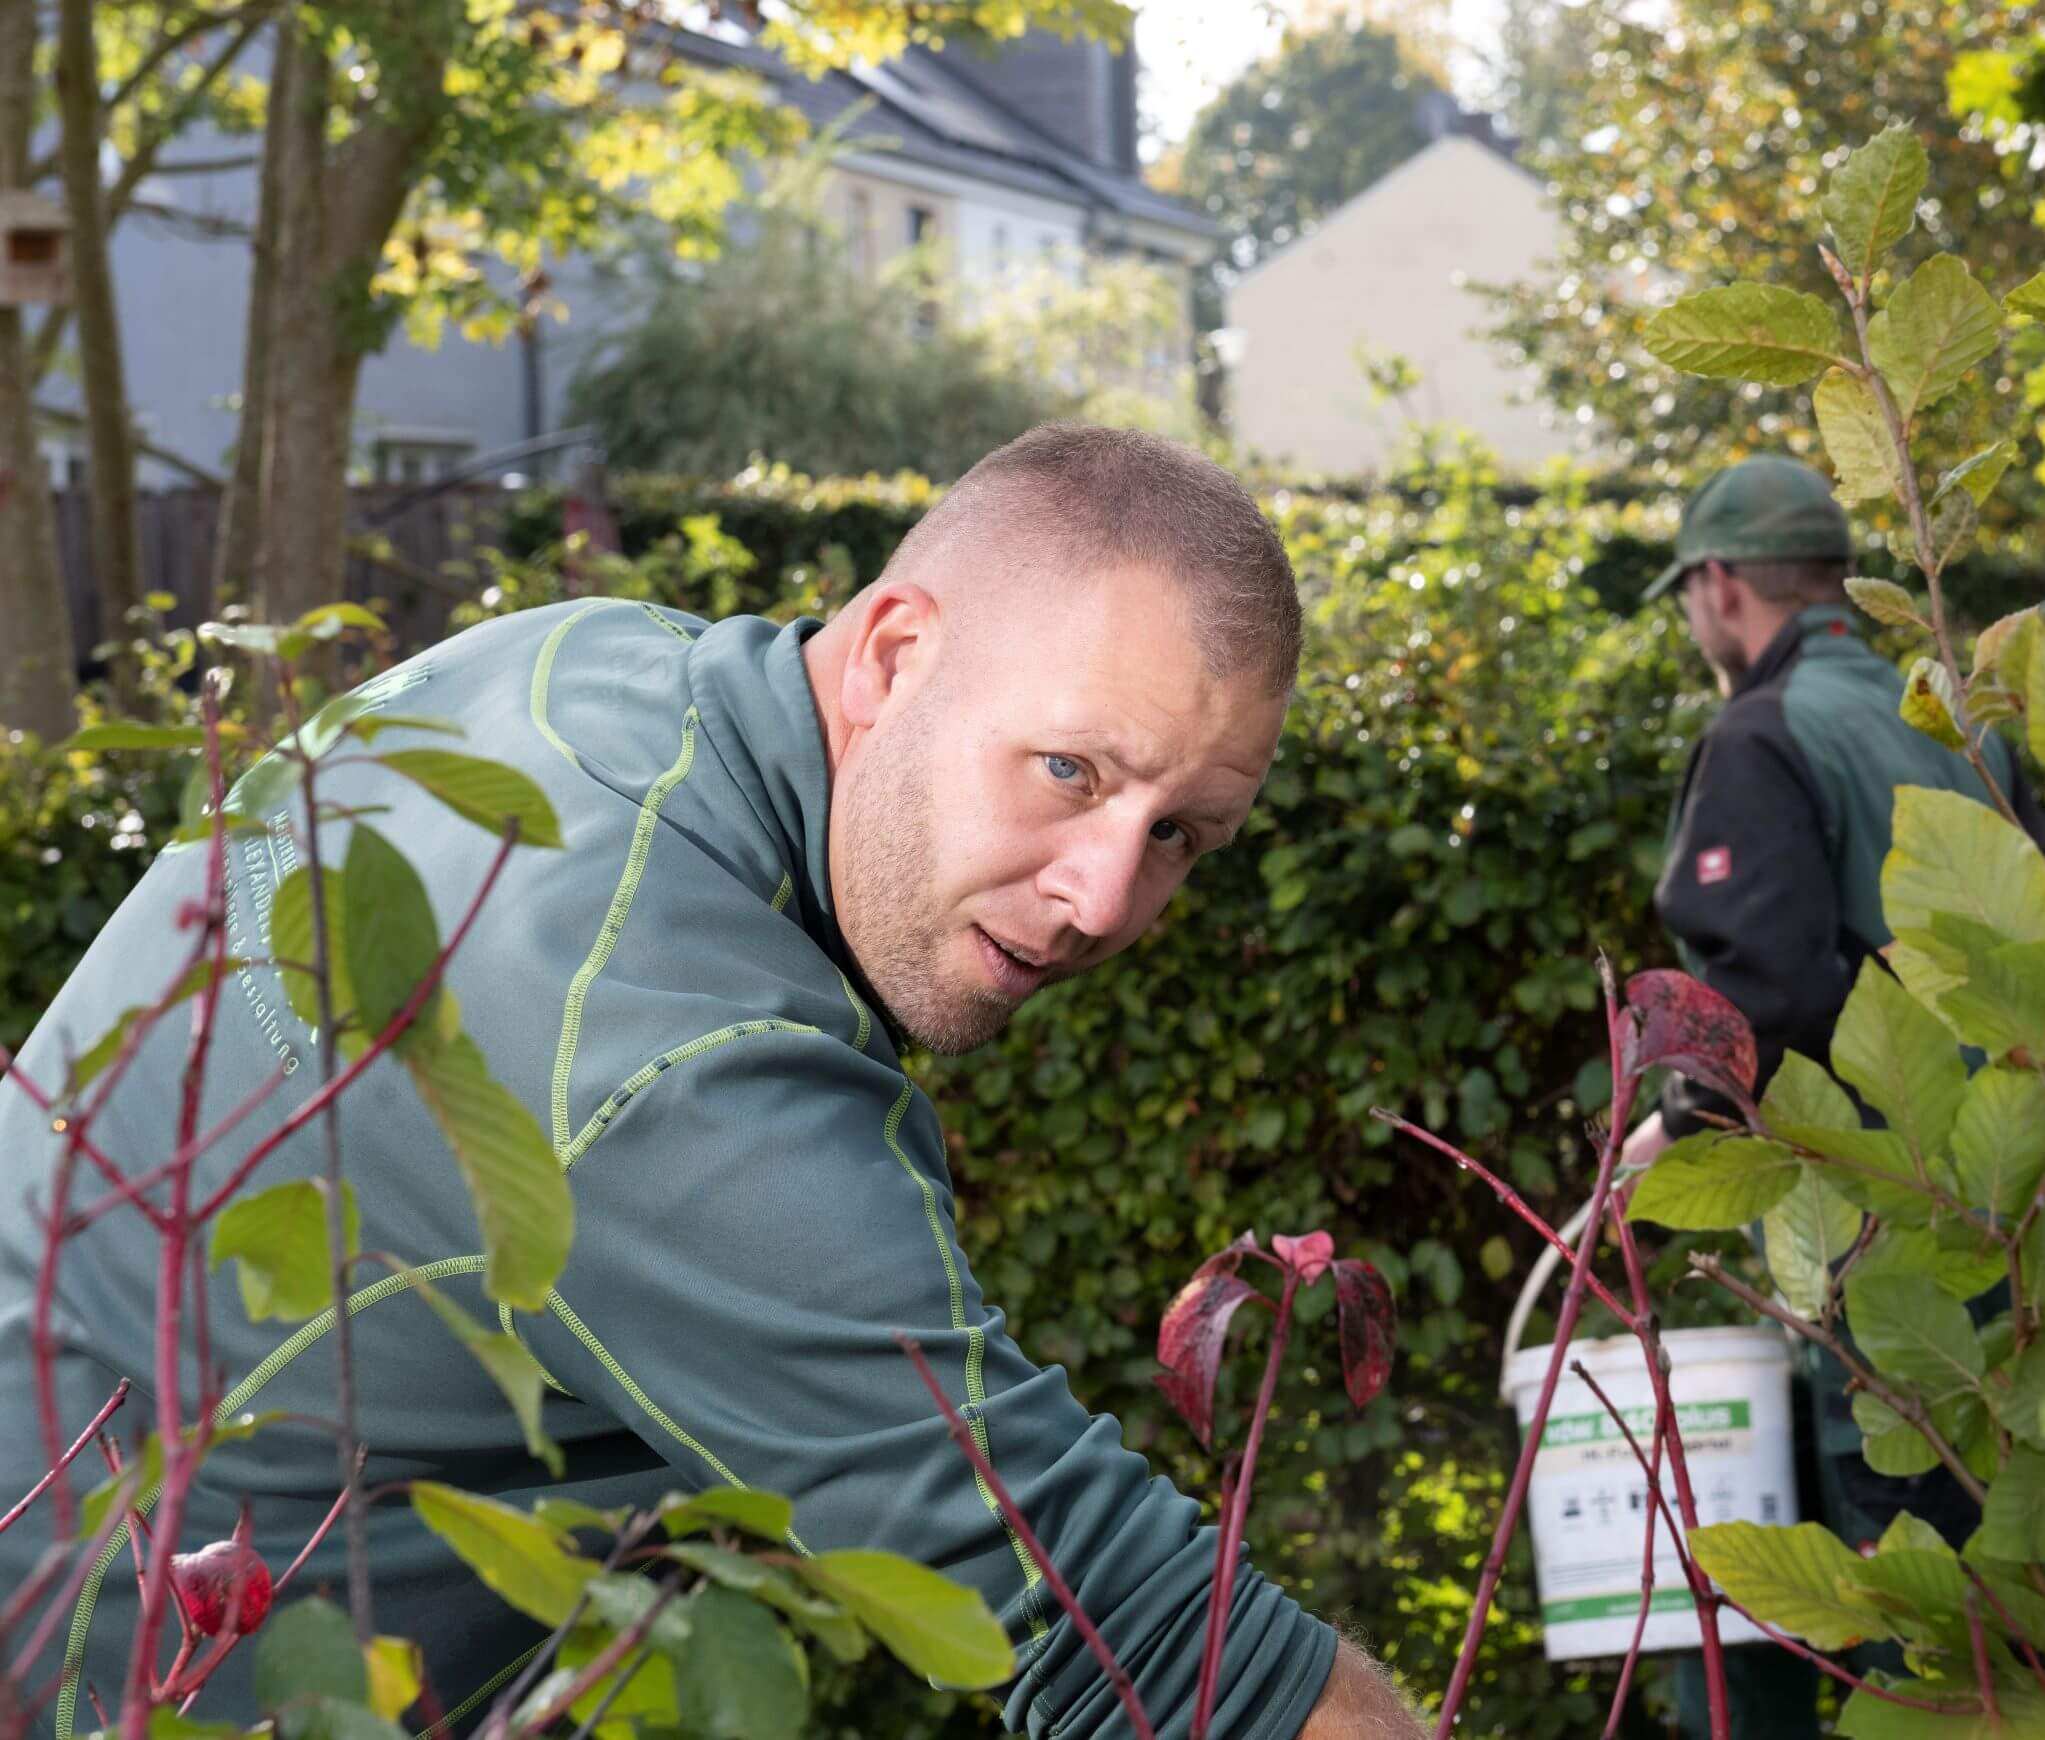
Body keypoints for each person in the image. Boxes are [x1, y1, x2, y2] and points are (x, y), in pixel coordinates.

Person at [0, 427, 1425, 1739]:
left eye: (1183, 830)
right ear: (890, 657)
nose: (1106, 897)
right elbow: (1143, 1647)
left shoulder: (581, 670)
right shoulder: (669, 1059)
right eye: (1067, 768)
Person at [1611, 456, 2045, 1736]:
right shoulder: (1959, 713)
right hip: (2027, 1207)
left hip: (1877, 1224)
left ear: (1721, 584)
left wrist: (1673, 1125)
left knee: (1904, 1587)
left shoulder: (1763, 735)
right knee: (2011, 1566)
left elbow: (1769, 993)